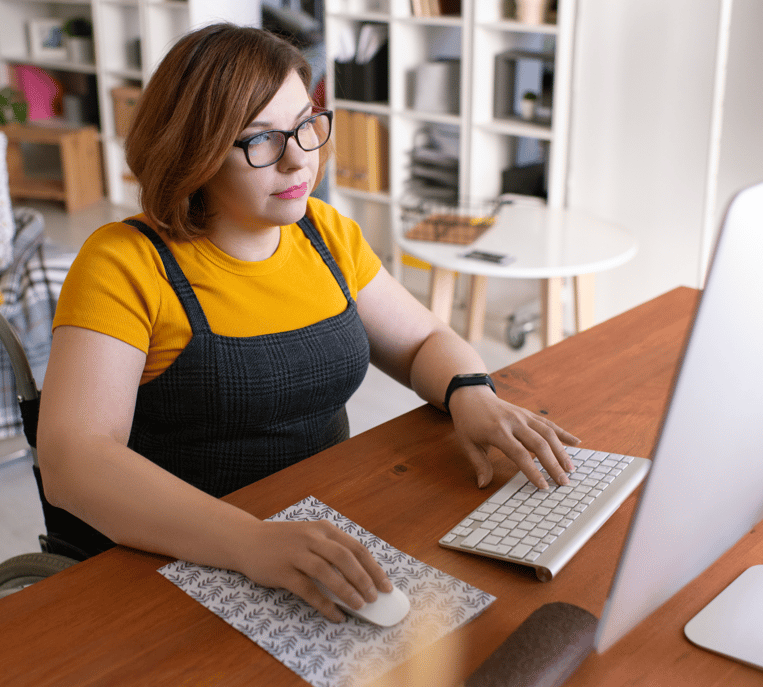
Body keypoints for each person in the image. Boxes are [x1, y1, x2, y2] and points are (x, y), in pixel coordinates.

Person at [36, 23, 579, 623]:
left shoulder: (323, 233)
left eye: (305, 124)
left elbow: (425, 339)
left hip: (318, 534)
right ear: (194, 149)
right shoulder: (125, 262)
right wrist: (251, 542)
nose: (300, 156)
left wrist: (469, 392)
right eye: (260, 140)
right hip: (179, 556)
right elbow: (73, 460)